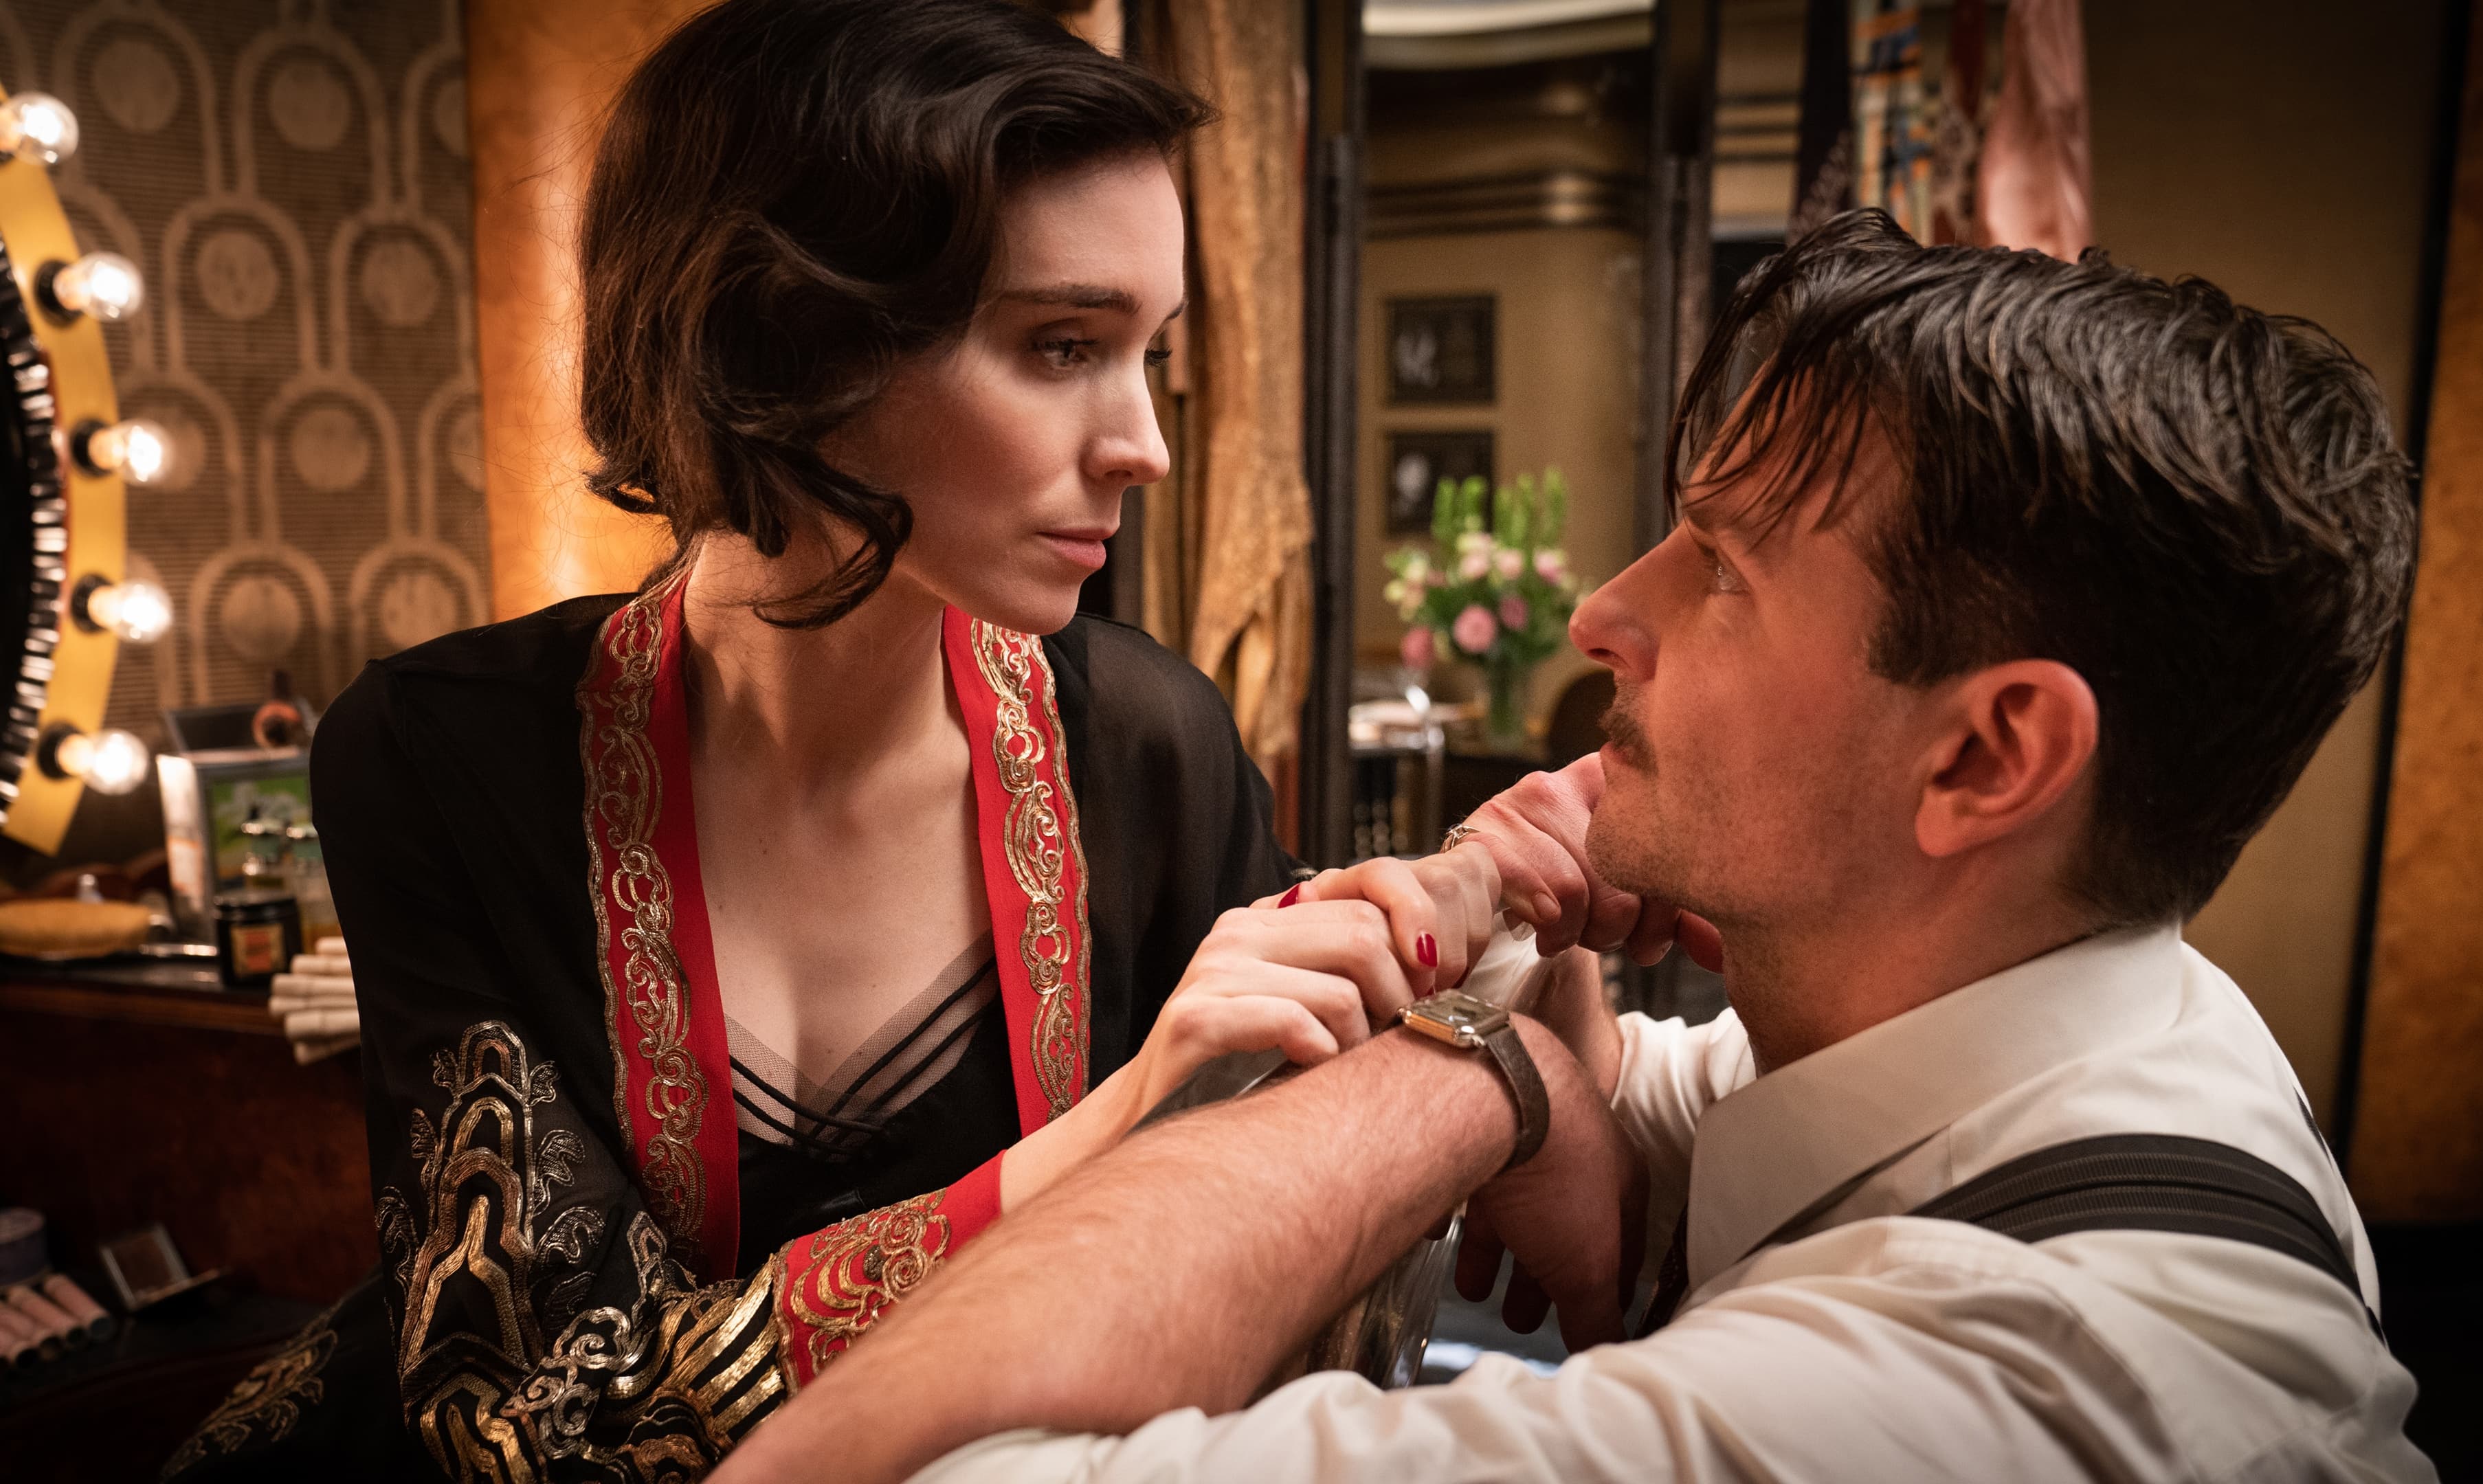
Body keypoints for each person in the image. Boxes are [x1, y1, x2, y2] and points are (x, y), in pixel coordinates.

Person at [707, 212, 2435, 1483]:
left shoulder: (1982, 1407)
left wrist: (1469, 1074)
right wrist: (1528, 1023)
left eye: (1725, 568)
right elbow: (1646, 1100)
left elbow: (855, 1469)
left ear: (1987, 756)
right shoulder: (2118, 1026)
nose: (1607, 611)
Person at [159, 4, 1572, 1479]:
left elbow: (1267, 1280)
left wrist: (1507, 961)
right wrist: (1124, 1123)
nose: (1145, 445)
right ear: (789, 339)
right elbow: (544, 1422)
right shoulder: (439, 758)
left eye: (1151, 353)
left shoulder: (1153, 748)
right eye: (1062, 346)